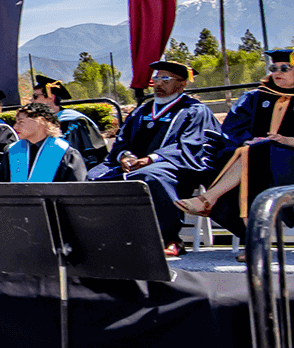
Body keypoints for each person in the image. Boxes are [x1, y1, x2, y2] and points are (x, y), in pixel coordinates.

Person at [178, 49, 294, 236]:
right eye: (274, 68)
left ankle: (209, 200)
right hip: (248, 155)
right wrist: (248, 140)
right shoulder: (254, 98)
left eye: (285, 68)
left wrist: (290, 140)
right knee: (249, 154)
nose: (277, 73)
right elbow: (233, 128)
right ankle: (252, 236)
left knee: (255, 154)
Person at [89, 61, 221, 256]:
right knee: (93, 176)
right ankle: (110, 236)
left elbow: (192, 145)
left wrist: (152, 158)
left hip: (177, 167)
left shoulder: (194, 110)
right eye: (156, 79)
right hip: (136, 166)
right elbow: (122, 141)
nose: (158, 84)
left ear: (182, 83)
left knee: (151, 176)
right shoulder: (142, 111)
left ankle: (170, 238)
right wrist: (125, 156)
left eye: (165, 79)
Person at [0, 103, 88, 183]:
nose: (15, 127)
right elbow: (1, 186)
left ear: (41, 121)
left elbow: (77, 192)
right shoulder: (12, 151)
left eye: (20, 122)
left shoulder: (66, 153)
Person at [30, 75, 108, 168]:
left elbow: (75, 159)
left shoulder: (72, 122)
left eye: (35, 96)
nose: (31, 100)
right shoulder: (36, 123)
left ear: (51, 97)